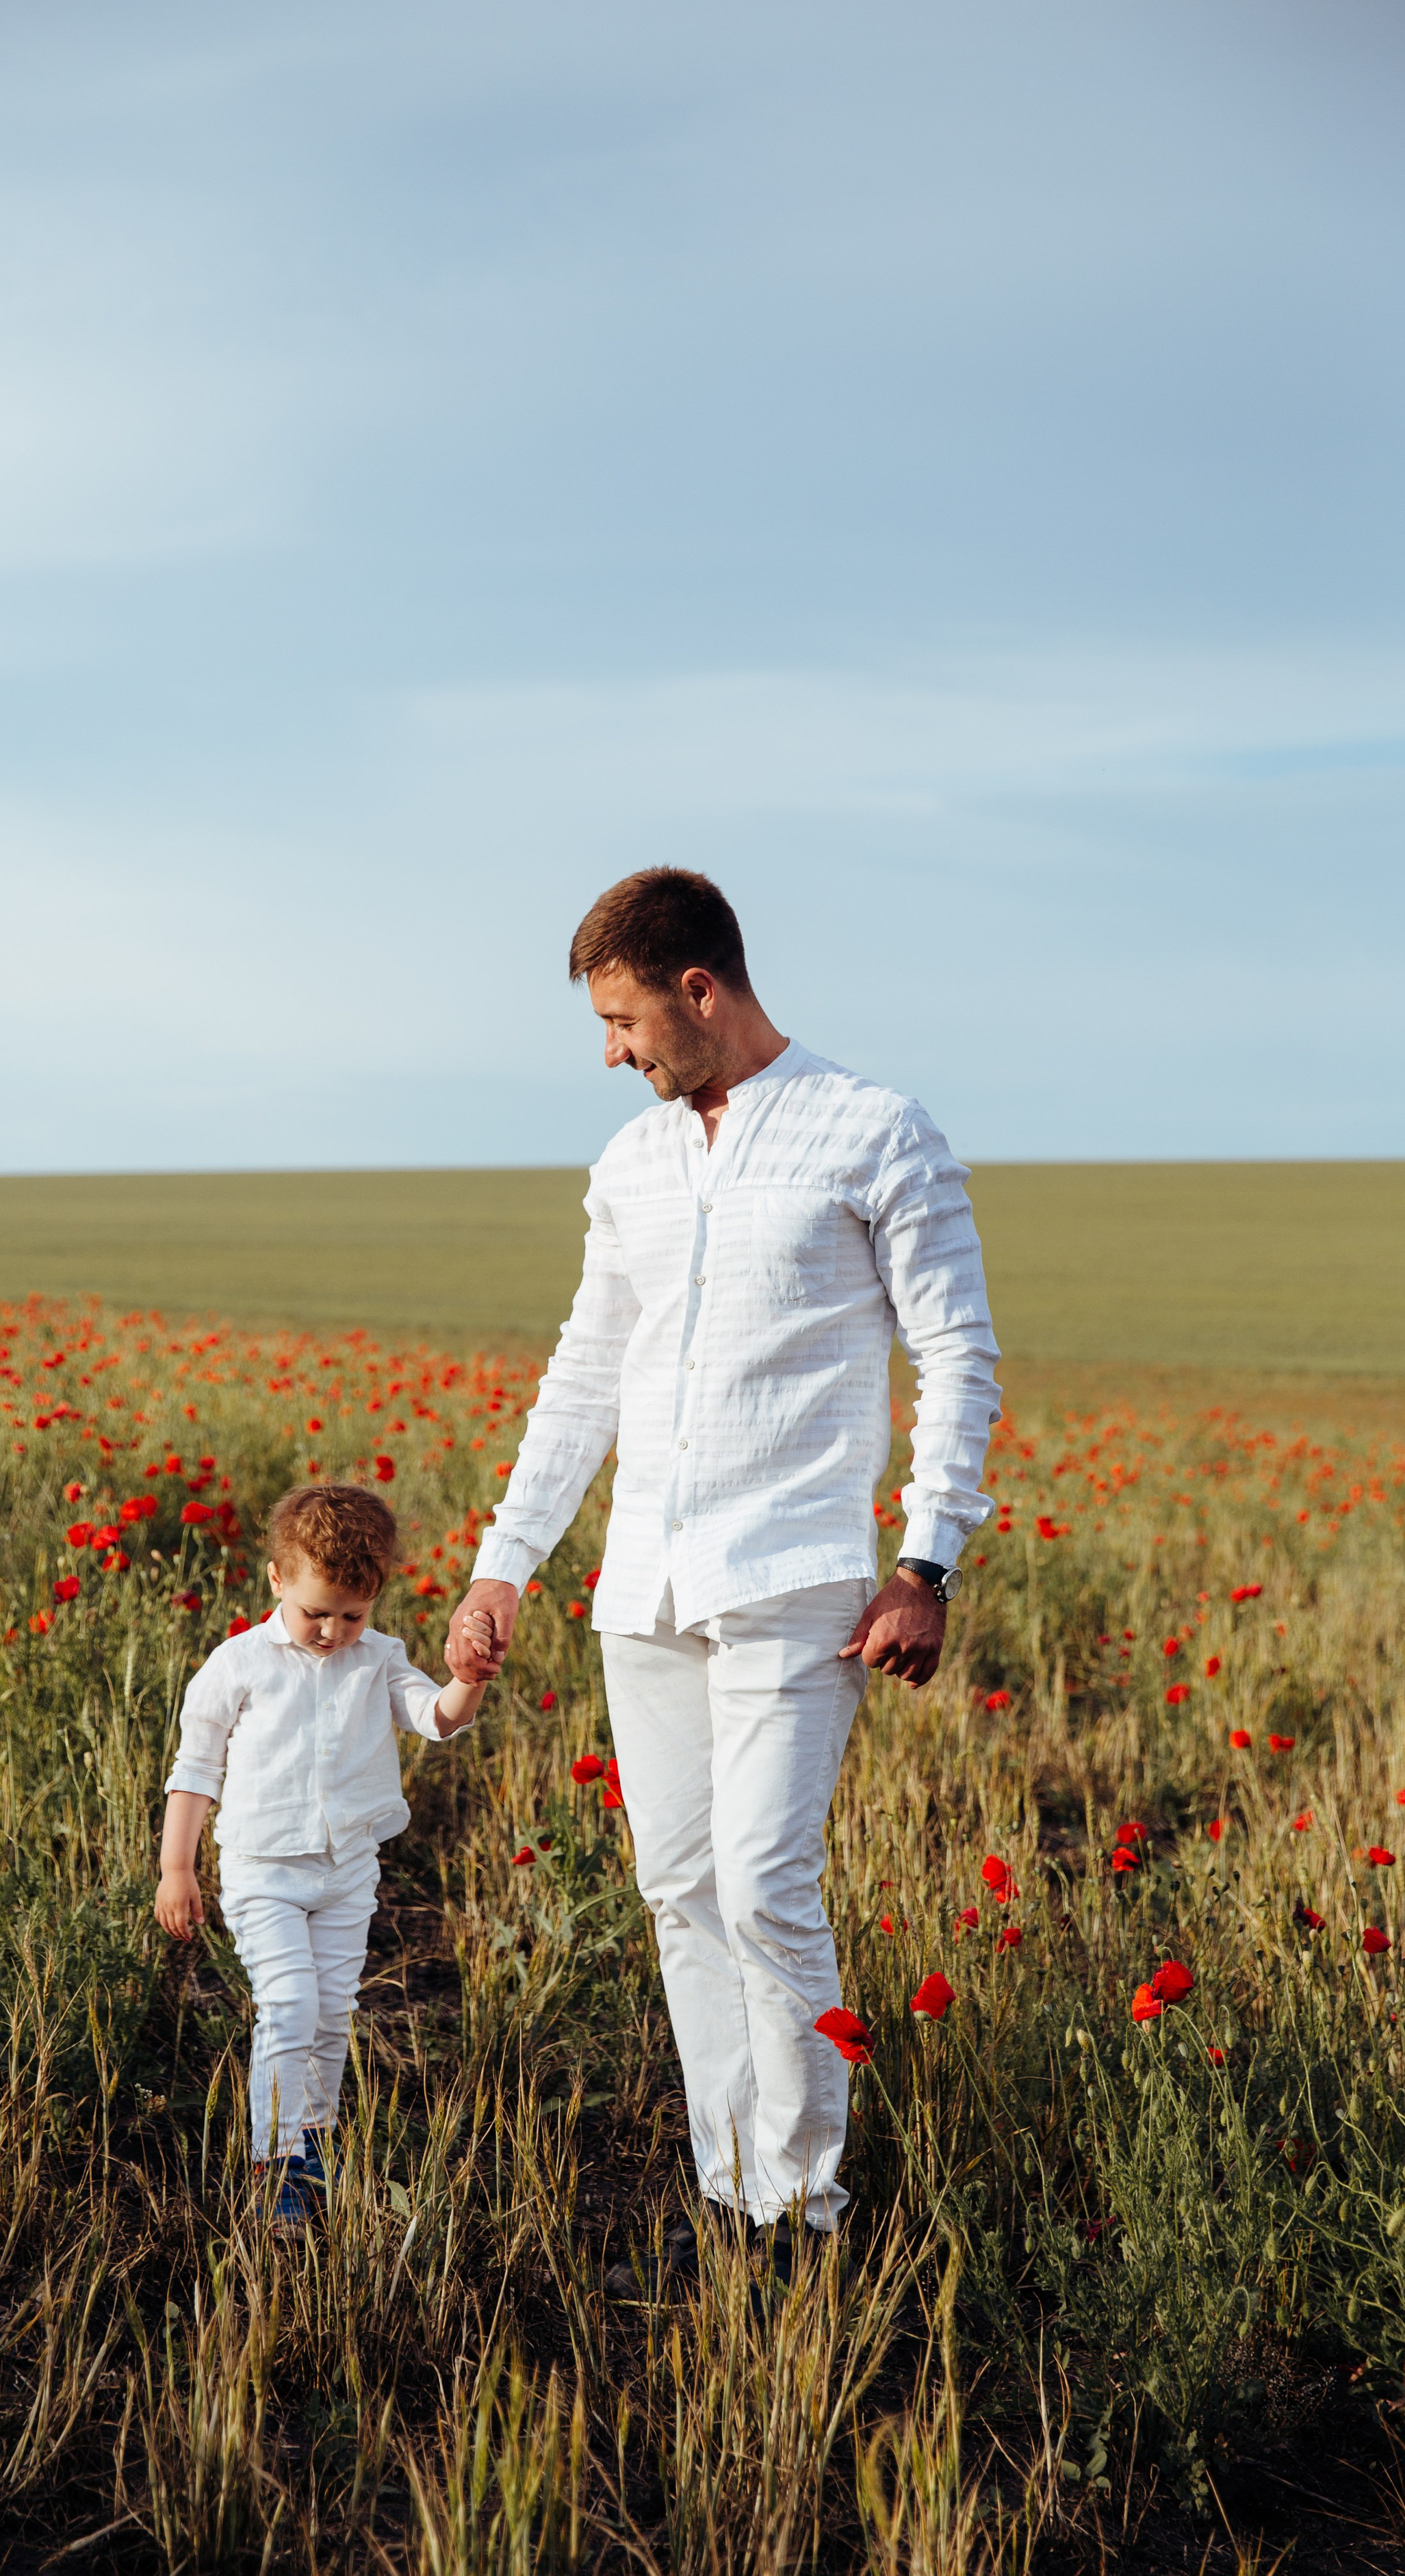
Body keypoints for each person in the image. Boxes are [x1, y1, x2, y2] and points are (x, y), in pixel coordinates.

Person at [443, 868, 999, 2286]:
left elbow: (956, 1356)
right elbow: (584, 1377)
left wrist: (924, 1562)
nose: (610, 1052)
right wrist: (504, 1565)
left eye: (624, 1020)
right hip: (644, 1584)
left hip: (795, 1579)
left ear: (700, 990)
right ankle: (733, 2191)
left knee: (761, 1888)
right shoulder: (627, 1167)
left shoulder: (874, 1130)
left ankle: (804, 2212)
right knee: (678, 1890)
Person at [156, 1480, 496, 2227]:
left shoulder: (379, 1659)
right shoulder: (238, 1664)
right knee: (289, 2004)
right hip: (263, 1872)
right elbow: (196, 1770)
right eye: (317, 1612)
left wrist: (466, 1682)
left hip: (347, 1872)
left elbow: (435, 1719)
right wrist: (177, 1869)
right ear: (277, 1579)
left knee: (333, 2012)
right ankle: (273, 2160)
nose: (332, 1631)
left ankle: (313, 2141)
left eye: (353, 1614)